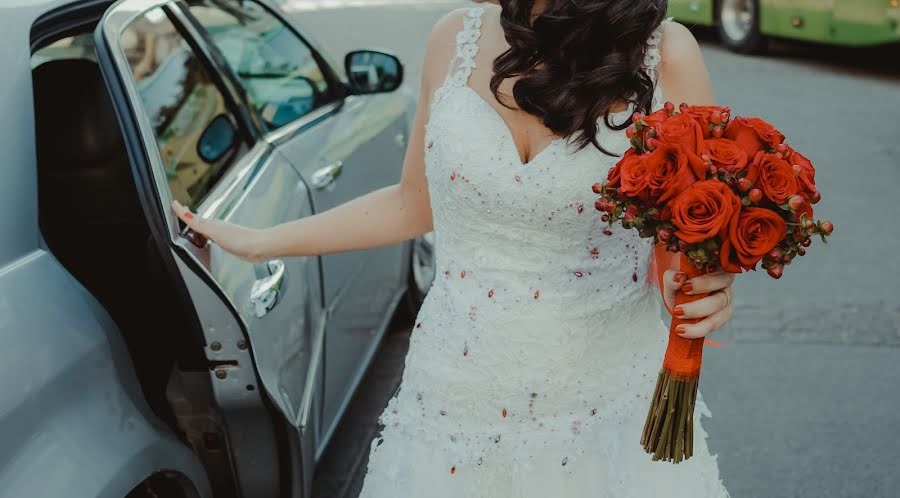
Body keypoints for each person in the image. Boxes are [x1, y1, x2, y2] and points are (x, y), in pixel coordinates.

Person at [173, 0, 733, 495]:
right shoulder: (453, 37)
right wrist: (259, 241)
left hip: (605, 399)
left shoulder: (665, 53)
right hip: (452, 395)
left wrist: (704, 284)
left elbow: (690, 234)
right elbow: (411, 203)